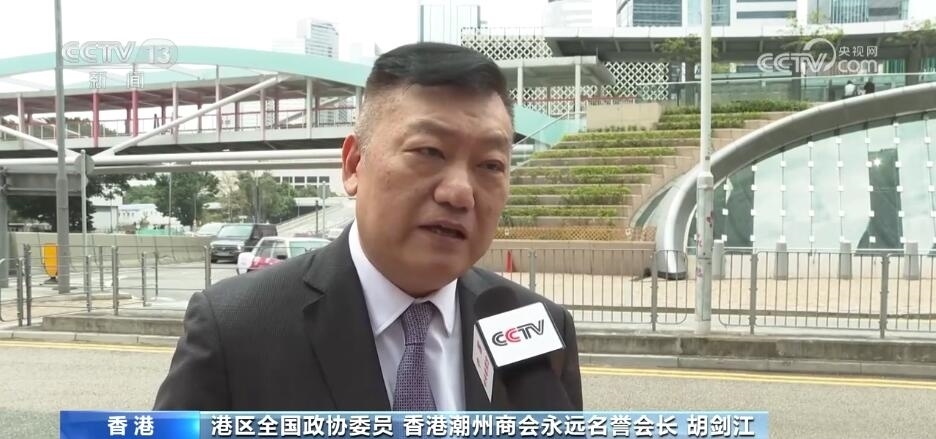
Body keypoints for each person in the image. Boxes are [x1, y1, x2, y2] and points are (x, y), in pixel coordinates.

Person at [152, 42, 583, 412]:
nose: (459, 193)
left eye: (490, 165)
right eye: (429, 151)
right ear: (354, 164)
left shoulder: (537, 328)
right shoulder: (235, 327)